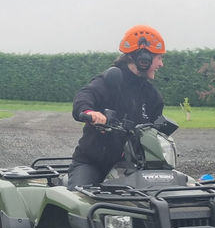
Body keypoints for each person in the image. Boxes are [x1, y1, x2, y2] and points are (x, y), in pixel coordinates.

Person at [67, 25, 165, 190]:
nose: (161, 64)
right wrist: (90, 113)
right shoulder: (110, 81)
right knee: (80, 201)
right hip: (92, 163)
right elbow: (84, 96)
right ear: (143, 58)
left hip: (131, 167)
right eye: (159, 58)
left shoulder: (152, 96)